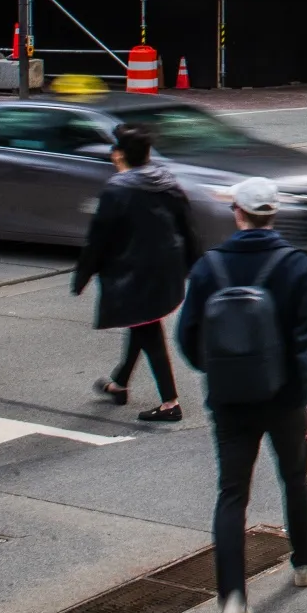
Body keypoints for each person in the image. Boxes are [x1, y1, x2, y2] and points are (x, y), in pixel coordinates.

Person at [177, 176, 307, 613]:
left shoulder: (210, 267)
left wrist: (219, 370)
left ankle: (232, 601)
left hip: (229, 400)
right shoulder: (296, 266)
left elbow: (187, 336)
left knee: (231, 495)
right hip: (285, 398)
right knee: (294, 475)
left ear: (238, 214)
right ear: (273, 214)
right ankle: (304, 562)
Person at [75, 122, 196, 423]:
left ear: (119, 155)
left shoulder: (118, 189)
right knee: (142, 324)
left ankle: (170, 403)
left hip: (135, 273)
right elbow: (187, 226)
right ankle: (119, 384)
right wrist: (195, 263)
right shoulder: (165, 180)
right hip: (167, 269)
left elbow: (98, 239)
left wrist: (82, 275)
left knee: (148, 330)